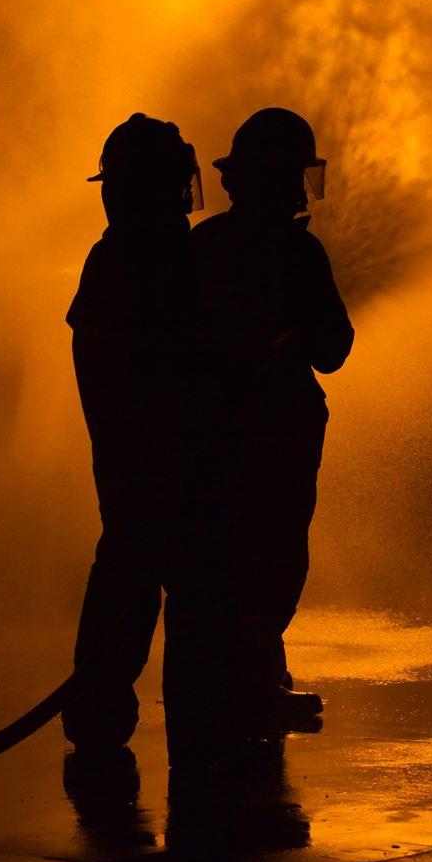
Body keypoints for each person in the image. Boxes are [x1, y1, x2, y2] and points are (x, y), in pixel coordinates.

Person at [175, 108, 354, 737]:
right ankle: (252, 689)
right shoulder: (298, 253)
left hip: (213, 441)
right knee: (273, 560)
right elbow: (334, 349)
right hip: (278, 437)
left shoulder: (202, 247)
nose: (300, 193)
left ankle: (235, 685)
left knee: (223, 562)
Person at [61, 113, 203, 751]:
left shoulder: (118, 256)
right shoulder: (150, 261)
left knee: (130, 570)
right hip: (157, 457)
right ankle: (162, 719)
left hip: (133, 457)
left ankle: (100, 711)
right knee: (156, 577)